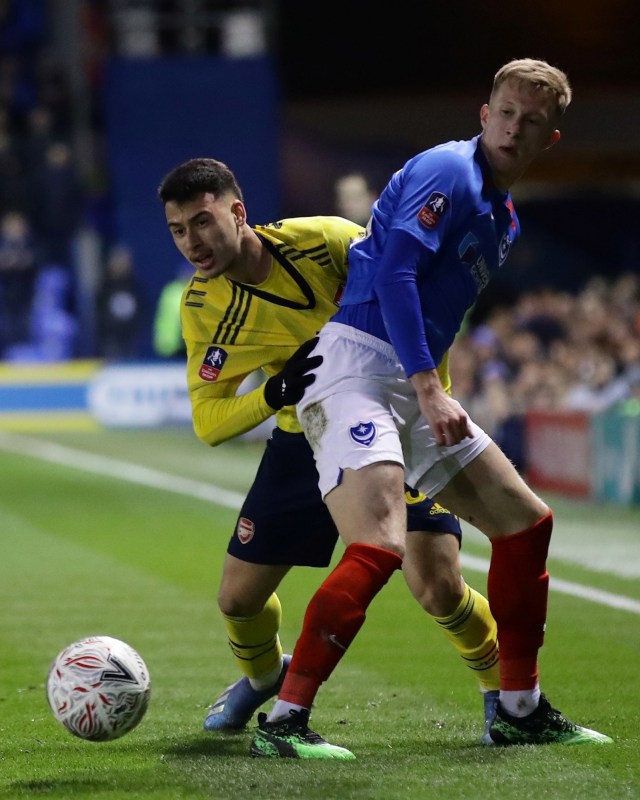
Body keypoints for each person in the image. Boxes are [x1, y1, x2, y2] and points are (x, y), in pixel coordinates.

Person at [251, 58, 613, 759]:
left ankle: (518, 707)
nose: (514, 126)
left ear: (550, 138)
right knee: (381, 544)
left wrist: (423, 384)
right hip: (356, 366)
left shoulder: (502, 216)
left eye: (530, 121)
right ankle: (284, 721)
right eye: (505, 112)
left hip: (407, 380)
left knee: (524, 523)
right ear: (485, 113)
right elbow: (393, 272)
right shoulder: (449, 171)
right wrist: (427, 384)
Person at [157, 158, 501, 751]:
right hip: (303, 433)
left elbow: (414, 303)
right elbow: (209, 421)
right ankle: (267, 678)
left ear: (238, 213)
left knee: (438, 586)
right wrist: (274, 392)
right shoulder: (204, 307)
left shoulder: (328, 241)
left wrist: (425, 393)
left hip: (389, 421)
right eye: (179, 230)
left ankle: (505, 696)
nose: (193, 242)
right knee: (237, 600)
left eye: (203, 221)